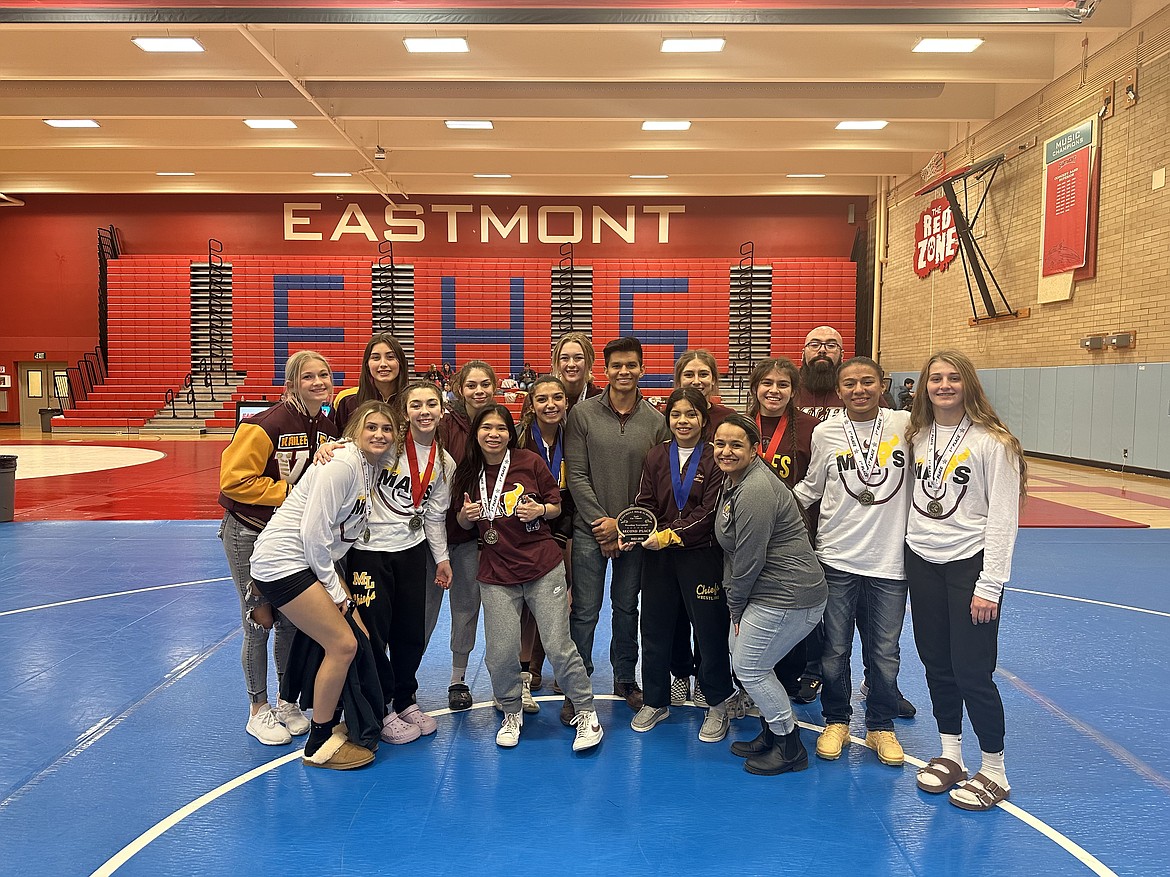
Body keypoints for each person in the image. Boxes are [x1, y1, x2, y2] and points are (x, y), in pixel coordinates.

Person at [905, 350, 1026, 812]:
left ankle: (994, 769)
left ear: (969, 384)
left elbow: (1003, 518)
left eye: (953, 377)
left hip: (969, 564)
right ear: (924, 386)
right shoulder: (918, 435)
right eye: (935, 378)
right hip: (922, 561)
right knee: (936, 663)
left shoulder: (994, 442)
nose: (943, 385)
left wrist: (990, 582)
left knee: (973, 671)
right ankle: (951, 753)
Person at [249, 400, 398, 770]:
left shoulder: (368, 467)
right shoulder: (342, 464)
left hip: (307, 562)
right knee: (343, 644)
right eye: (371, 427)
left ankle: (332, 720)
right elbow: (313, 534)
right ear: (354, 432)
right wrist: (337, 594)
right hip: (285, 562)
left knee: (358, 635)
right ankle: (318, 741)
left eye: (387, 429)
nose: (379, 434)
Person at [453, 404, 604, 752]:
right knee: (500, 652)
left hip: (541, 566)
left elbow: (556, 506)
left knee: (558, 647)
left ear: (510, 432)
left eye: (501, 428)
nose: (494, 434)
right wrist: (465, 515)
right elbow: (461, 525)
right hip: (496, 573)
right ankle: (510, 711)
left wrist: (540, 510)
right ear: (476, 433)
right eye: (486, 427)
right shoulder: (468, 471)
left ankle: (585, 711)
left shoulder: (530, 462)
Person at [794, 357, 912, 768]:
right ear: (839, 391)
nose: (858, 389)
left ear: (883, 385)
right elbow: (810, 488)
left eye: (867, 382)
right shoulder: (826, 432)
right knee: (834, 648)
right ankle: (837, 720)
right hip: (837, 557)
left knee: (884, 652)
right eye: (850, 383)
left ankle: (881, 724)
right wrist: (765, 508)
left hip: (889, 561)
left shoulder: (905, 425)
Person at [217, 349, 339, 746]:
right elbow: (232, 481)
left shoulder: (327, 425)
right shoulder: (263, 425)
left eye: (323, 375)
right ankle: (257, 708)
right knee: (259, 620)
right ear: (291, 384)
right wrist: (290, 491)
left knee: (291, 620)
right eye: (308, 377)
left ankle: (288, 701)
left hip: (291, 538)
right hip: (250, 531)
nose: (318, 382)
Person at [713, 414, 827, 776]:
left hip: (789, 595)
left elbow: (748, 557)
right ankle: (771, 733)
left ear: (754, 450)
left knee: (750, 666)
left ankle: (790, 746)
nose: (726, 451)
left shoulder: (755, 489)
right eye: (719, 444)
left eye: (735, 445)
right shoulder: (734, 481)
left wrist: (735, 605)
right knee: (750, 662)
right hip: (770, 593)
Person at [564, 337, 669, 723]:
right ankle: (578, 686)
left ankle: (625, 678)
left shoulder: (657, 422)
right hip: (590, 530)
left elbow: (657, 482)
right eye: (616, 366)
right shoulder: (582, 415)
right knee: (586, 611)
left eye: (631, 365)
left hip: (636, 535)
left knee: (627, 608)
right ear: (604, 371)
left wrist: (626, 526)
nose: (623, 372)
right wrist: (603, 525)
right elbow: (575, 474)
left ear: (642, 369)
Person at [623, 388, 735, 742]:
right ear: (667, 418)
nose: (683, 421)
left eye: (691, 414)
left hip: (702, 555)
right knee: (655, 628)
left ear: (704, 418)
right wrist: (640, 530)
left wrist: (669, 534)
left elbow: (710, 512)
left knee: (709, 630)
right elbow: (645, 501)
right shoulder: (656, 456)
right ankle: (656, 700)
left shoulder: (715, 457)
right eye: (676, 415)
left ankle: (718, 703)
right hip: (658, 557)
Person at [346, 381, 455, 745]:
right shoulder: (387, 446)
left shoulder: (444, 462)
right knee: (374, 633)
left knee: (410, 632)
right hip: (369, 552)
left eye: (432, 404)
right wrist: (329, 449)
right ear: (404, 412)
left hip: (412, 550)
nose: (425, 411)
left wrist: (442, 559)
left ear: (442, 410)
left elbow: (436, 516)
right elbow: (354, 452)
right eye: (416, 405)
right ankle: (380, 707)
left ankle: (405, 698)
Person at [425, 360, 499, 711]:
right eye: (472, 385)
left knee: (467, 609)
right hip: (431, 534)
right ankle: (403, 679)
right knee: (422, 612)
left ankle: (458, 680)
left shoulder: (498, 426)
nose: (479, 391)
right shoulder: (441, 424)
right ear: (459, 387)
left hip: (473, 537)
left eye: (485, 384)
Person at [746, 357, 821, 702]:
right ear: (755, 387)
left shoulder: (811, 428)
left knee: (793, 607)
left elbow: (817, 482)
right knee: (757, 603)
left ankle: (796, 674)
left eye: (783, 384)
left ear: (793, 391)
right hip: (750, 532)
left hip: (795, 535)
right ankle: (757, 672)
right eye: (767, 383)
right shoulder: (742, 424)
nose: (774, 390)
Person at [665, 350, 735, 709]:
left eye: (703, 374)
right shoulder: (666, 437)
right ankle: (679, 676)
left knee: (709, 619)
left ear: (714, 380)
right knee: (674, 616)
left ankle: (710, 680)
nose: (696, 380)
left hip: (709, 545)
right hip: (668, 547)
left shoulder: (728, 425)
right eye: (689, 374)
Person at [514, 375, 573, 708]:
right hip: (523, 527)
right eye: (542, 399)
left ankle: (557, 667)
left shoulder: (574, 437)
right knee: (524, 604)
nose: (550, 405)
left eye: (557, 398)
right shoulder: (521, 437)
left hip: (566, 522)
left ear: (566, 402)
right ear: (531, 404)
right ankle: (525, 671)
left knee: (564, 599)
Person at [333, 333, 409, 432]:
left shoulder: (413, 401)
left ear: (401, 363)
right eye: (376, 358)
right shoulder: (347, 400)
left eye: (390, 357)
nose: (383, 364)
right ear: (367, 365)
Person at [794, 326, 846, 421]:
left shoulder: (854, 387)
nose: (822, 350)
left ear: (841, 356)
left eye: (831, 345)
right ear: (803, 354)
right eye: (814, 345)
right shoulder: (789, 385)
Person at [551, 331, 603, 410]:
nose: (571, 364)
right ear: (557, 363)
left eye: (578, 358)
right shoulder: (541, 397)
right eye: (564, 358)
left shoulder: (600, 399)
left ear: (589, 361)